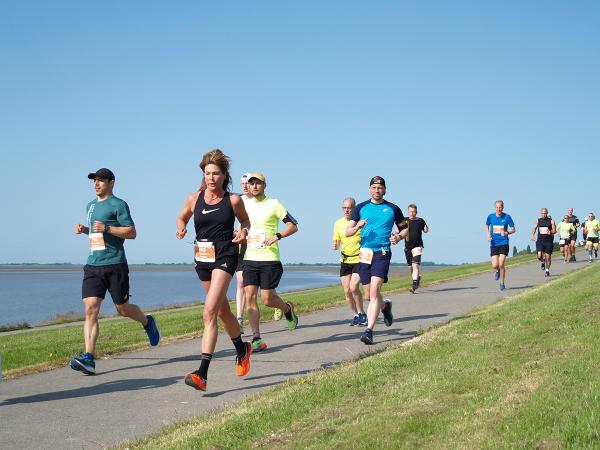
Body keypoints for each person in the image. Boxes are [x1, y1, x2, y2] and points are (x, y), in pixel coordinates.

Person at [70, 168, 160, 375]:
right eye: (94, 180)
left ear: (112, 183)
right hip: (93, 264)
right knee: (91, 309)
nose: (96, 184)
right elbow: (97, 233)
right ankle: (89, 358)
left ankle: (148, 322)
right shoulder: (90, 206)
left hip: (115, 264)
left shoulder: (118, 204)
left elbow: (132, 232)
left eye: (101, 180)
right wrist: (86, 230)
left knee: (122, 308)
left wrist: (108, 229)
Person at [176, 149, 252, 391]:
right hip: (202, 258)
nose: (211, 178)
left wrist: (243, 233)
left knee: (208, 312)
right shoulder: (193, 198)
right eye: (207, 173)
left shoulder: (233, 200)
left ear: (224, 175)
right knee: (221, 311)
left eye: (215, 173)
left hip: (225, 255)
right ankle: (242, 348)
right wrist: (181, 229)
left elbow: (245, 222)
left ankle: (202, 373)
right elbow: (181, 218)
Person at [242, 173, 299, 353]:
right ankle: (256, 337)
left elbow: (293, 225)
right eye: (251, 184)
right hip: (250, 258)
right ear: (248, 187)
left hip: (269, 259)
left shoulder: (274, 204)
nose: (255, 186)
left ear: (264, 185)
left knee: (267, 299)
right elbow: (242, 226)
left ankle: (287, 309)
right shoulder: (245, 205)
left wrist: (277, 236)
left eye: (258, 183)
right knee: (250, 298)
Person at [346, 176, 405, 345]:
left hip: (382, 253)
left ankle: (369, 331)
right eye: (374, 187)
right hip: (364, 254)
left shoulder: (392, 208)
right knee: (368, 295)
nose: (377, 190)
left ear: (384, 190)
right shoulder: (360, 208)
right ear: (370, 189)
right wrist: (357, 226)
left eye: (380, 188)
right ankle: (385, 307)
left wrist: (399, 237)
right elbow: (347, 232)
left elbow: (404, 228)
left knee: (374, 291)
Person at [332, 197, 367, 326]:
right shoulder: (337, 223)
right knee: (346, 290)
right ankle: (356, 315)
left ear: (355, 208)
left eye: (350, 208)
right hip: (345, 259)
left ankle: (362, 313)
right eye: (344, 208)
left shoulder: (361, 222)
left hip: (359, 258)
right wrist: (335, 245)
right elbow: (336, 241)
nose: (347, 210)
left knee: (353, 288)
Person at [235, 173, 253, 333]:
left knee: (266, 292)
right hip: (242, 246)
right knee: (241, 282)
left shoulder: (261, 201)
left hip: (258, 246)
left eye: (247, 183)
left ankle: (280, 305)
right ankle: (239, 319)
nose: (245, 186)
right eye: (242, 183)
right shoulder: (237, 200)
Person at [485, 200, 516, 291]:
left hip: (504, 242)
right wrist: (488, 235)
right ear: (495, 208)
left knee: (501, 264)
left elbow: (514, 229)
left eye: (500, 207)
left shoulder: (507, 217)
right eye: (497, 207)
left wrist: (507, 232)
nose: (499, 209)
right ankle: (497, 270)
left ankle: (502, 284)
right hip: (494, 243)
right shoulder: (490, 216)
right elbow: (486, 226)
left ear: (503, 207)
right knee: (495, 265)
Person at [398, 204, 429, 293]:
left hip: (418, 246)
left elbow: (425, 230)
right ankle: (417, 278)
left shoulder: (420, 220)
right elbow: (399, 231)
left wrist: (426, 229)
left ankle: (414, 285)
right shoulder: (405, 221)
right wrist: (395, 234)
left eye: (414, 211)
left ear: (416, 212)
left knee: (415, 265)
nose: (412, 213)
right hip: (407, 247)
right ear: (408, 212)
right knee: (410, 267)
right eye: (410, 211)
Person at [530, 208, 556, 277]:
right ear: (541, 213)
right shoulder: (538, 221)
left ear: (547, 213)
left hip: (548, 241)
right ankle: (542, 261)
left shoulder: (551, 221)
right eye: (542, 213)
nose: (543, 214)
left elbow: (554, 230)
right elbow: (534, 228)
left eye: (545, 213)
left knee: (548, 257)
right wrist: (532, 235)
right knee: (539, 255)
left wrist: (551, 232)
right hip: (540, 240)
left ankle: (547, 271)